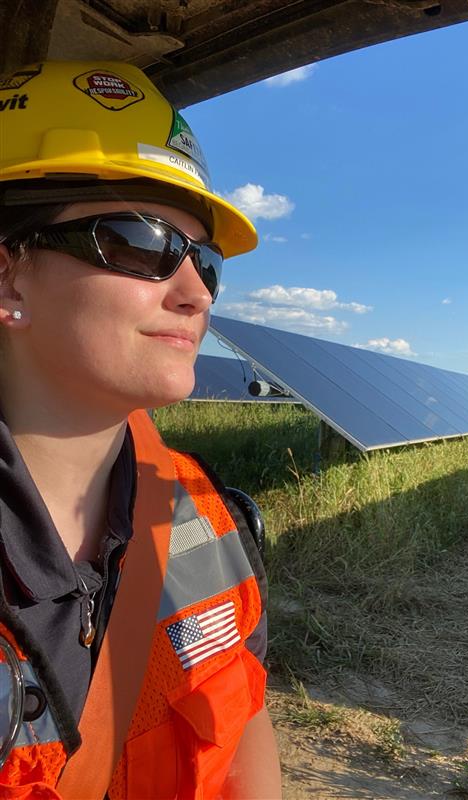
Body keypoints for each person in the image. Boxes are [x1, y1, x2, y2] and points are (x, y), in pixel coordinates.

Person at [0, 60, 282, 799]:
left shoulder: (210, 518)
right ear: (8, 280)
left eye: (206, 263)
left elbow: (248, 733)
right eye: (141, 242)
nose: (195, 294)